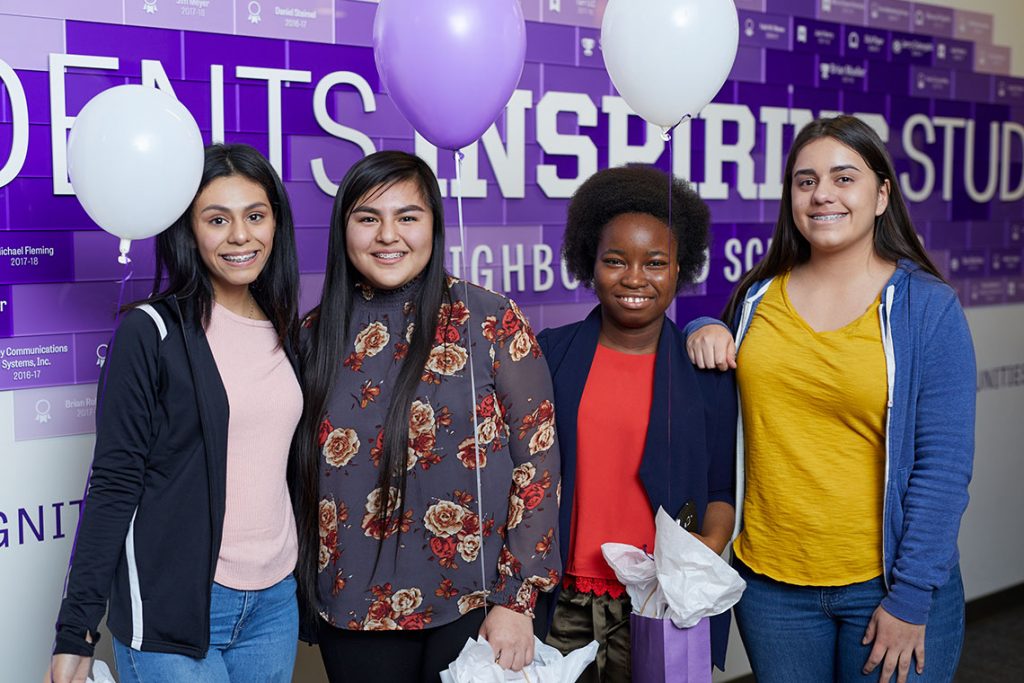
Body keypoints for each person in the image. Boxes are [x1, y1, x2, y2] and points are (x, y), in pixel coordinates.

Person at [685, 115, 975, 683]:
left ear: (882, 194)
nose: (822, 195)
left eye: (845, 178)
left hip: (886, 587)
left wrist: (911, 598)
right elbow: (719, 364)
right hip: (772, 588)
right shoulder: (756, 296)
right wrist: (702, 326)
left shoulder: (926, 309)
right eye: (805, 180)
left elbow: (943, 469)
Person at [291, 150, 561, 682]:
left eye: (407, 217)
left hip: (477, 608)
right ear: (344, 231)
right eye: (368, 218)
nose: (388, 235)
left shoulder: (489, 320)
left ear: (434, 225)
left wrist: (517, 598)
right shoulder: (312, 336)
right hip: (351, 611)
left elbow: (538, 461)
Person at [47, 144, 303, 683]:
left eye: (255, 216)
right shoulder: (150, 331)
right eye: (217, 219)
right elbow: (115, 481)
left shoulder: (288, 330)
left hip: (274, 603)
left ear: (275, 223)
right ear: (188, 230)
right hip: (176, 603)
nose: (240, 236)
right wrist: (77, 630)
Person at [537, 165, 738, 682]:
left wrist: (690, 564)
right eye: (614, 260)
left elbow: (720, 492)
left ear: (679, 269)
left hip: (657, 604)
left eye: (655, 262)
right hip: (559, 602)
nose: (634, 278)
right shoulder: (549, 356)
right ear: (589, 262)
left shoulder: (705, 373)